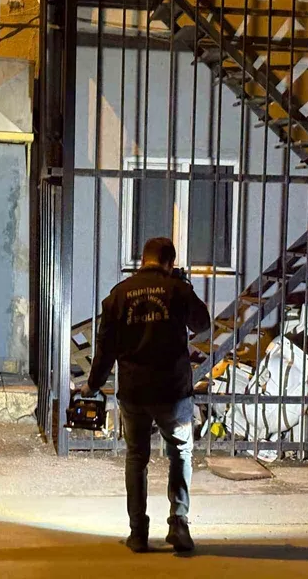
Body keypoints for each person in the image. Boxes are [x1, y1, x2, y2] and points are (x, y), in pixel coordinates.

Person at [81, 237, 211, 553]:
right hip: (173, 391)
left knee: (137, 458)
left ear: (143, 260)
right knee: (180, 452)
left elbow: (105, 348)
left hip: (134, 391)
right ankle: (179, 523)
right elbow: (202, 324)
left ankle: (138, 532)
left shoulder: (119, 295)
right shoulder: (177, 290)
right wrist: (184, 286)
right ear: (170, 262)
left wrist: (93, 385)